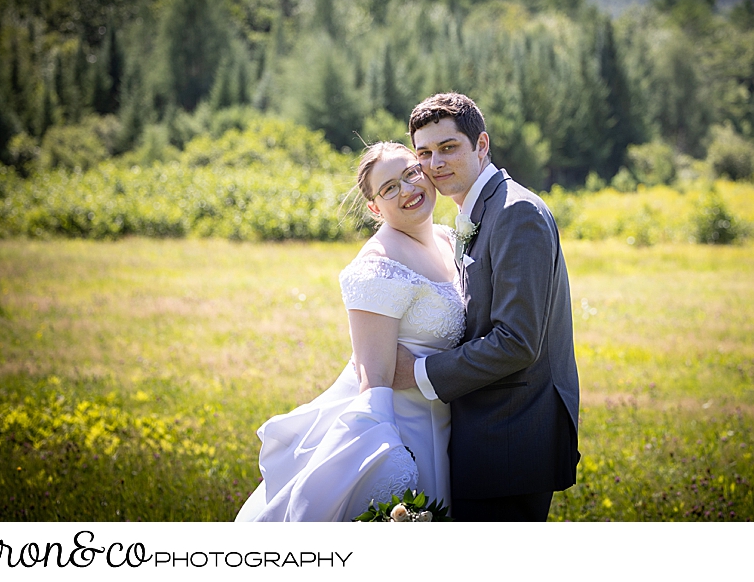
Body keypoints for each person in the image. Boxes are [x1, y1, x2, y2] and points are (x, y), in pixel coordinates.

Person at [235, 142, 462, 522]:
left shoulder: (448, 239)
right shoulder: (378, 265)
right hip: (404, 427)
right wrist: (387, 462)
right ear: (375, 207)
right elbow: (372, 378)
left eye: (411, 173)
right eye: (389, 188)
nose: (407, 189)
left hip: (446, 418)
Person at [393, 92, 579, 522]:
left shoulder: (516, 213)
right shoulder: (481, 210)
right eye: (424, 153)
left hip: (511, 436)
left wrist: (416, 373)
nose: (435, 163)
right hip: (486, 432)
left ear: (481, 145)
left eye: (448, 147)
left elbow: (516, 342)